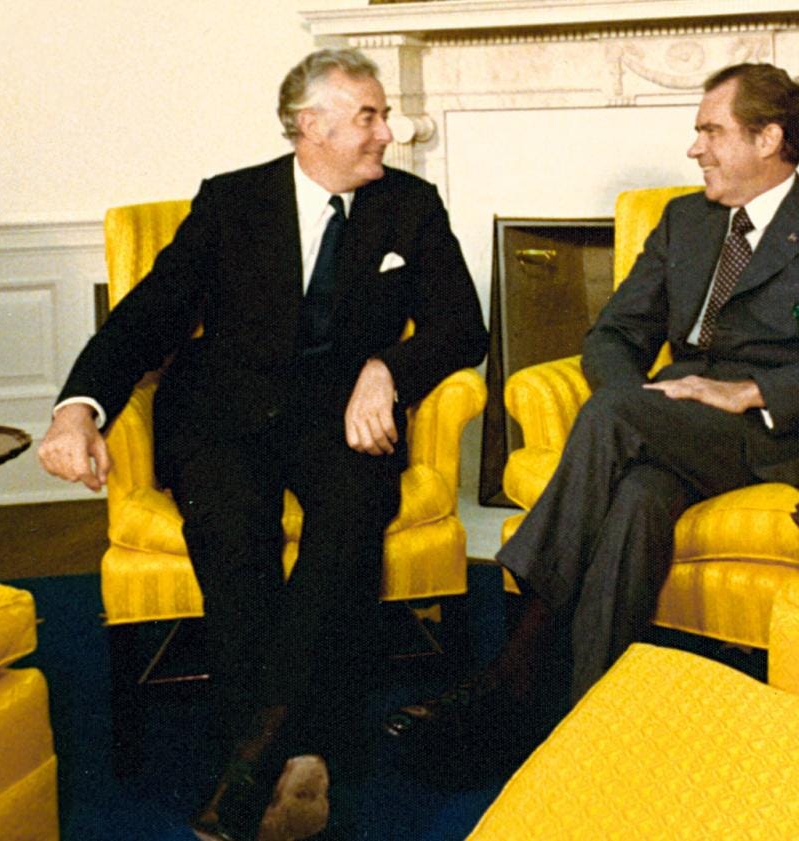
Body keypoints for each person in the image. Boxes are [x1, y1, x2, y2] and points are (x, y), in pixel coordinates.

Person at [385, 62, 799, 758]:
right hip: (668, 422)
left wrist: (747, 392)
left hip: (766, 433)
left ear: (768, 138)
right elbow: (613, 334)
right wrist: (639, 398)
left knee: (612, 420)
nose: (694, 148)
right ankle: (579, 726)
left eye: (710, 131)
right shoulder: (685, 220)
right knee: (635, 498)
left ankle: (512, 669)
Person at [38, 48, 487, 841]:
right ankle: (305, 750)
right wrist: (79, 408)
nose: (391, 132)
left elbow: (463, 327)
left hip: (342, 412)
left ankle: (253, 758)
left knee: (351, 519)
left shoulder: (410, 206)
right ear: (310, 126)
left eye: (384, 115)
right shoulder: (232, 202)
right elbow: (147, 317)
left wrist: (387, 368)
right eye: (371, 116)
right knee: (232, 535)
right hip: (221, 411)